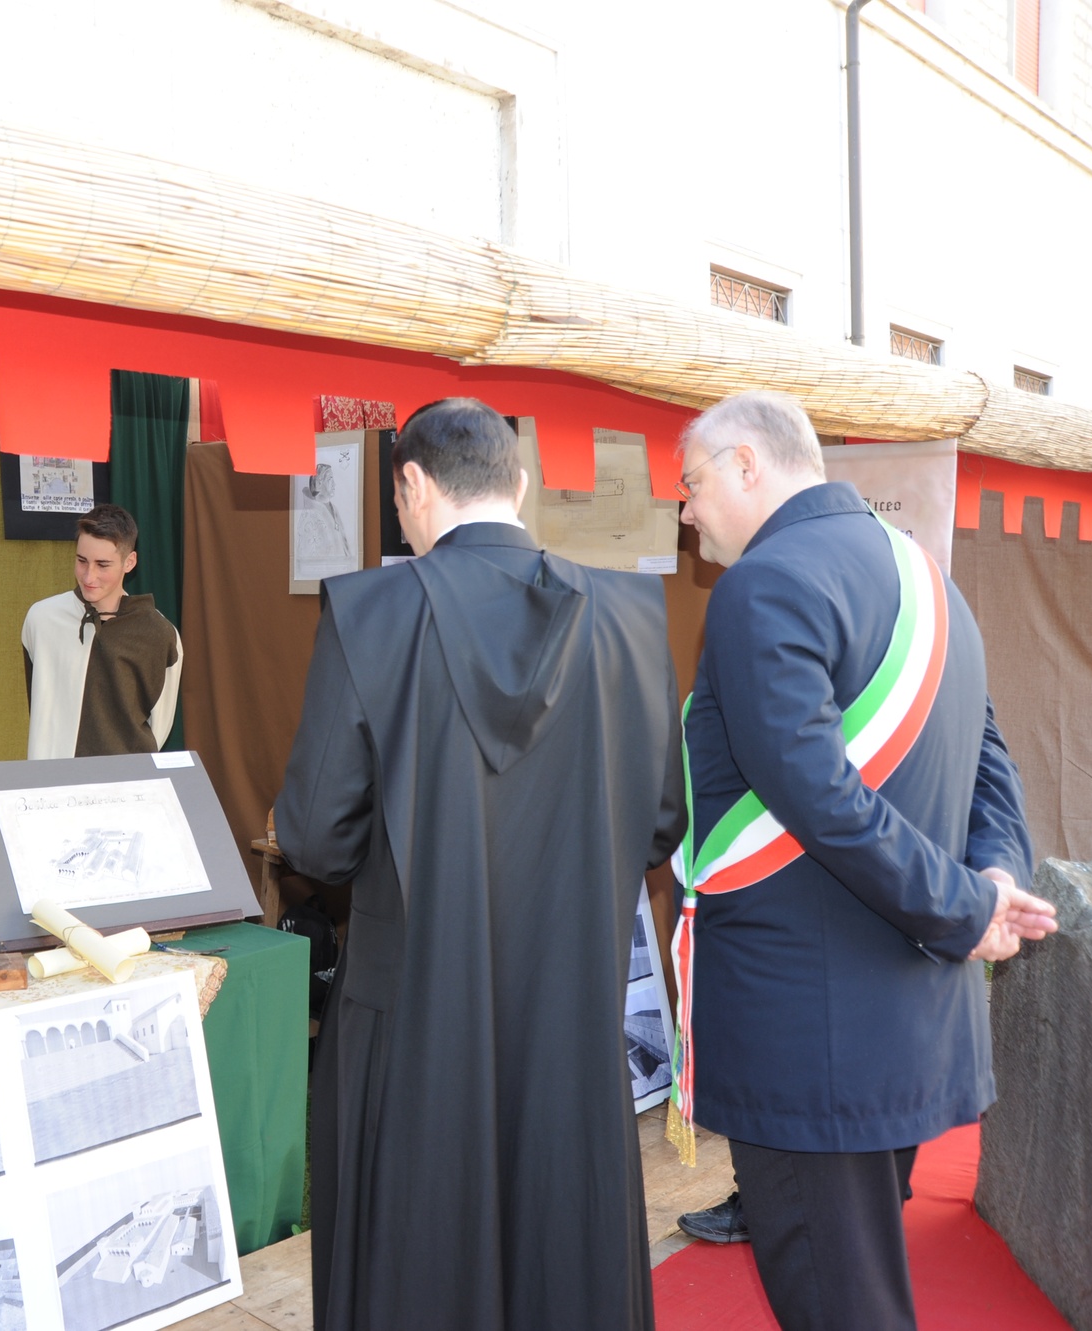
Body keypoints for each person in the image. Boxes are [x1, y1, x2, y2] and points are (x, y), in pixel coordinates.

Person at [275, 398, 684, 1331]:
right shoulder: (628, 615)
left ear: (412, 486)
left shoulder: (368, 613)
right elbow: (661, 822)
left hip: (413, 1006)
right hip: (571, 1009)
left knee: (414, 1260)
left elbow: (315, 838)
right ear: (522, 485)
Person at [671, 391, 1054, 1331]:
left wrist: (968, 906)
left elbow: (816, 796)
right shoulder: (928, 580)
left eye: (691, 482)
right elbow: (990, 760)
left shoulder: (763, 584)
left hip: (812, 1036)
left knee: (842, 1306)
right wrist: (996, 876)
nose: (684, 509)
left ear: (748, 463)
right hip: (903, 1026)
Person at [21, 503, 182, 759]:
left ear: (129, 562)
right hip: (52, 778)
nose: (89, 576)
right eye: (82, 561)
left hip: (126, 779)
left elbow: (159, 726)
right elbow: (40, 700)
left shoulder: (160, 634)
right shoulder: (41, 619)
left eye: (103, 565)